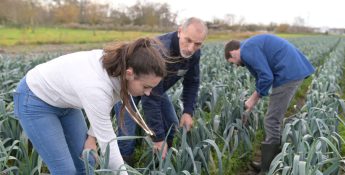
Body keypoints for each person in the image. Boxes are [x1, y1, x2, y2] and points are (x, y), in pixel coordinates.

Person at [13, 37, 166, 174]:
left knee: (87, 161)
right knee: (65, 170)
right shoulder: (96, 87)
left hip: (65, 103)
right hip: (34, 99)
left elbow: (102, 111)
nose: (148, 93)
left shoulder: (119, 70)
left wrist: (91, 138)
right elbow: (108, 145)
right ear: (129, 73)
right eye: (146, 87)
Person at [105, 17, 208, 164]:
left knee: (172, 125)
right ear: (179, 31)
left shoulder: (194, 54)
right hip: (130, 87)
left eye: (198, 44)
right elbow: (150, 100)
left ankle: (160, 165)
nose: (191, 48)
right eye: (188, 40)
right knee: (127, 135)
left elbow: (192, 82)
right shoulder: (161, 50)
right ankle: (125, 168)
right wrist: (158, 138)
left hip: (155, 90)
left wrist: (188, 111)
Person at [224, 34, 315, 173]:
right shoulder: (250, 47)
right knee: (273, 117)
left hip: (288, 74)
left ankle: (268, 169)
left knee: (272, 119)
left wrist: (252, 99)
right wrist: (252, 104)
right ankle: (269, 163)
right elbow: (261, 78)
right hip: (290, 71)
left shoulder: (247, 50)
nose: (236, 65)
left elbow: (266, 77)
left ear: (232, 52)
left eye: (232, 62)